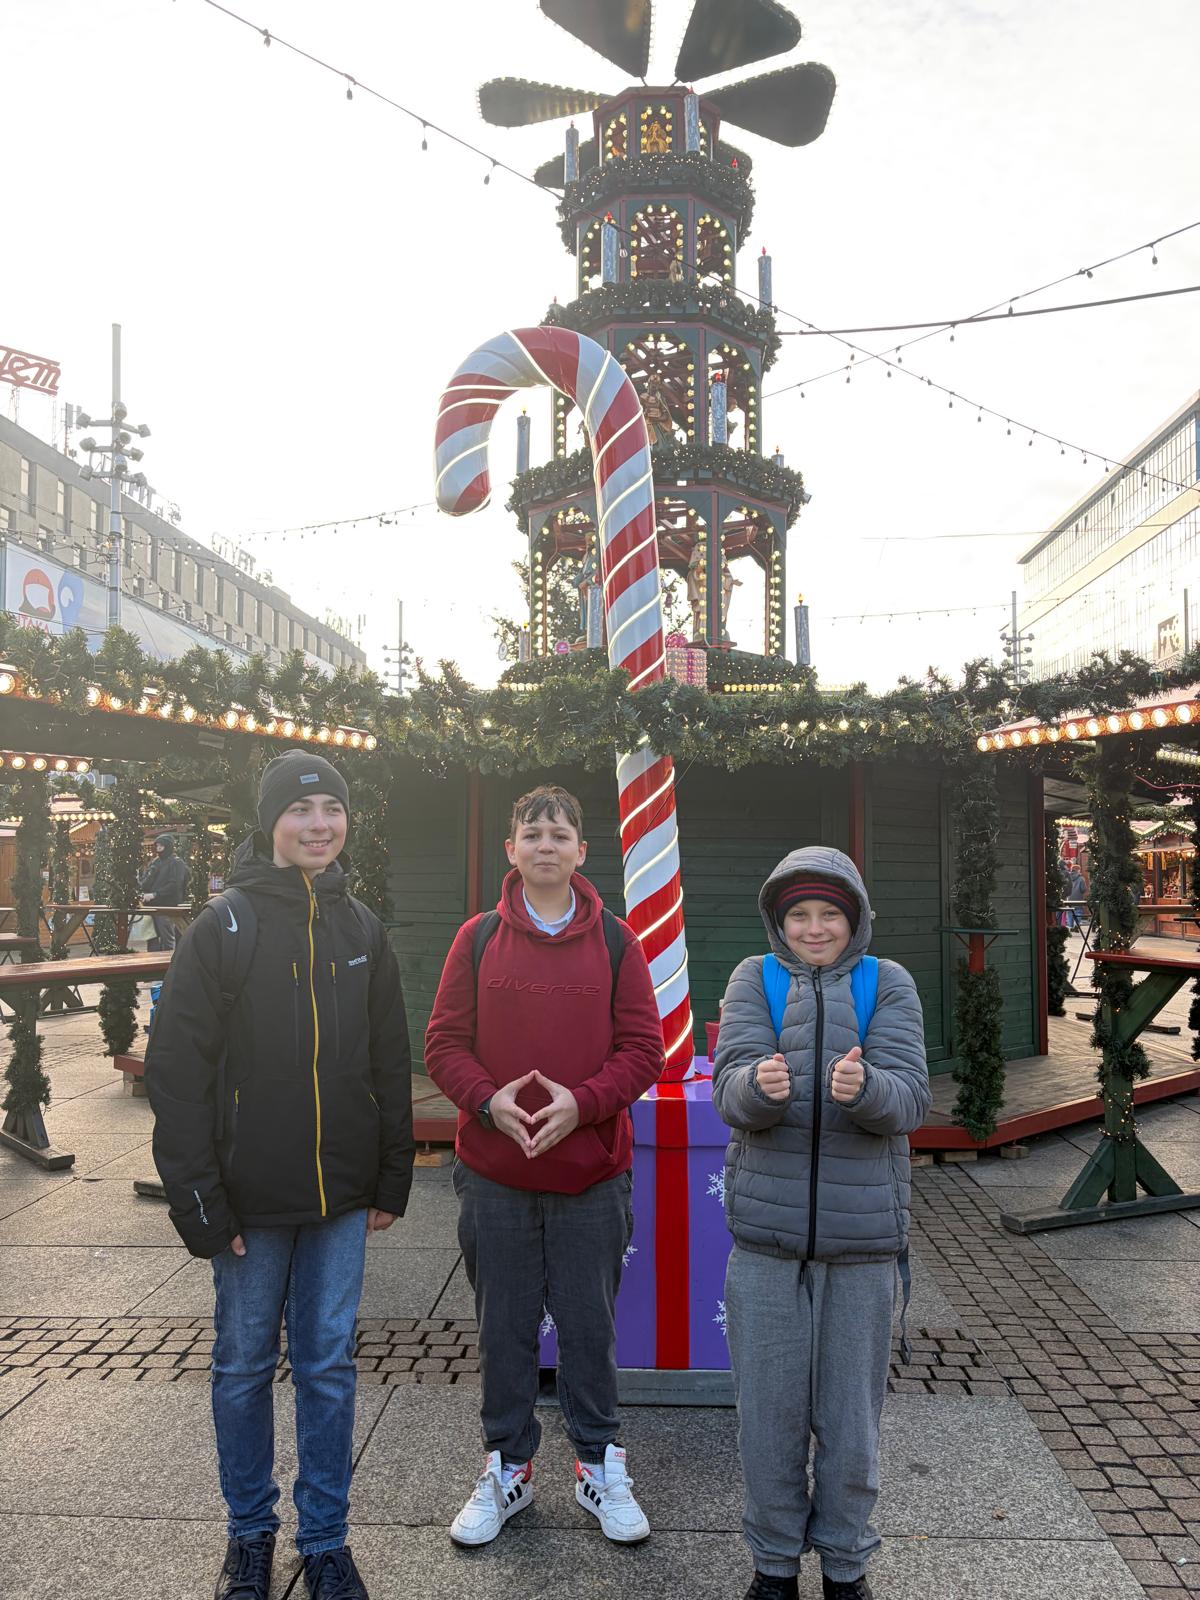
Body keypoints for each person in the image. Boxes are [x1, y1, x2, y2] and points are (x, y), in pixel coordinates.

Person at [145, 750, 414, 1600]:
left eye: (331, 809)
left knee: (329, 1366)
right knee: (243, 1365)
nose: (318, 825)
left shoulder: (361, 929)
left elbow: (390, 1058)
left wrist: (392, 1175)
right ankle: (250, 1535)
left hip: (341, 1196)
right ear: (271, 824)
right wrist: (198, 1199)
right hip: (246, 1200)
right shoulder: (222, 927)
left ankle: (326, 1539)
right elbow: (177, 1073)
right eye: (301, 811)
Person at [425, 783, 664, 1550]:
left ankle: (599, 1465)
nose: (546, 845)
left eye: (560, 834)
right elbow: (443, 1044)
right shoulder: (476, 939)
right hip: (495, 1174)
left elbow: (644, 1051)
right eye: (532, 834)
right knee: (504, 1329)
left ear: (581, 851)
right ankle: (507, 1467)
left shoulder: (619, 943)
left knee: (591, 1328)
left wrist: (583, 1104)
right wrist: (487, 1100)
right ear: (512, 850)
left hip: (591, 1172)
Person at [712, 847, 931, 1600]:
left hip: (862, 1250)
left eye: (829, 914)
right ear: (778, 921)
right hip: (765, 1247)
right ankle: (774, 1568)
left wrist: (868, 1090)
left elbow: (911, 1100)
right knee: (767, 1422)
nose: (813, 928)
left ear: (854, 918)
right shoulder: (754, 978)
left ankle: (845, 1568)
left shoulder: (887, 983)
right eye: (799, 914)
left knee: (851, 1427)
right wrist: (757, 1087)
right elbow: (728, 1089)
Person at [138, 833, 189, 950]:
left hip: (167, 906)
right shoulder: (155, 862)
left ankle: (168, 959)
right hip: (151, 905)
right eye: (157, 846)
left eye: (161, 846)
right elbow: (146, 882)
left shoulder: (176, 862)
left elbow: (175, 885)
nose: (158, 848)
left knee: (167, 937)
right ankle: (154, 958)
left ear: (168, 846)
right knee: (151, 937)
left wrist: (155, 894)